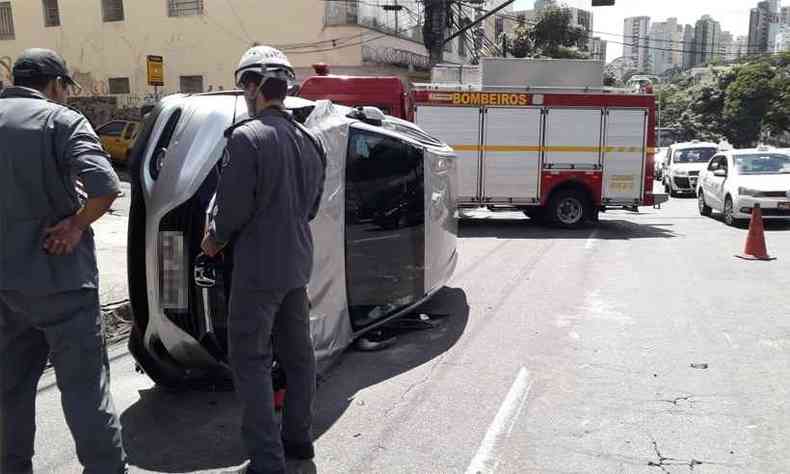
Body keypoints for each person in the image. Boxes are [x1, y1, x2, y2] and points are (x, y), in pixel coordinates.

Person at [0, 49, 127, 474]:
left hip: (6, 287)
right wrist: (75, 225)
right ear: (54, 85)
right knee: (84, 389)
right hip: (62, 285)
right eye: (65, 89)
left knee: (10, 390)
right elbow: (105, 186)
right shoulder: (60, 121)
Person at [201, 46, 326, 474]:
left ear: (254, 87)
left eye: (244, 87)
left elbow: (232, 209)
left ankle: (267, 460)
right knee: (298, 356)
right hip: (296, 266)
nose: (245, 94)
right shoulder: (310, 140)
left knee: (251, 361)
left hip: (257, 271)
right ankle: (299, 440)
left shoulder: (245, 136)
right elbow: (310, 207)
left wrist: (214, 240)